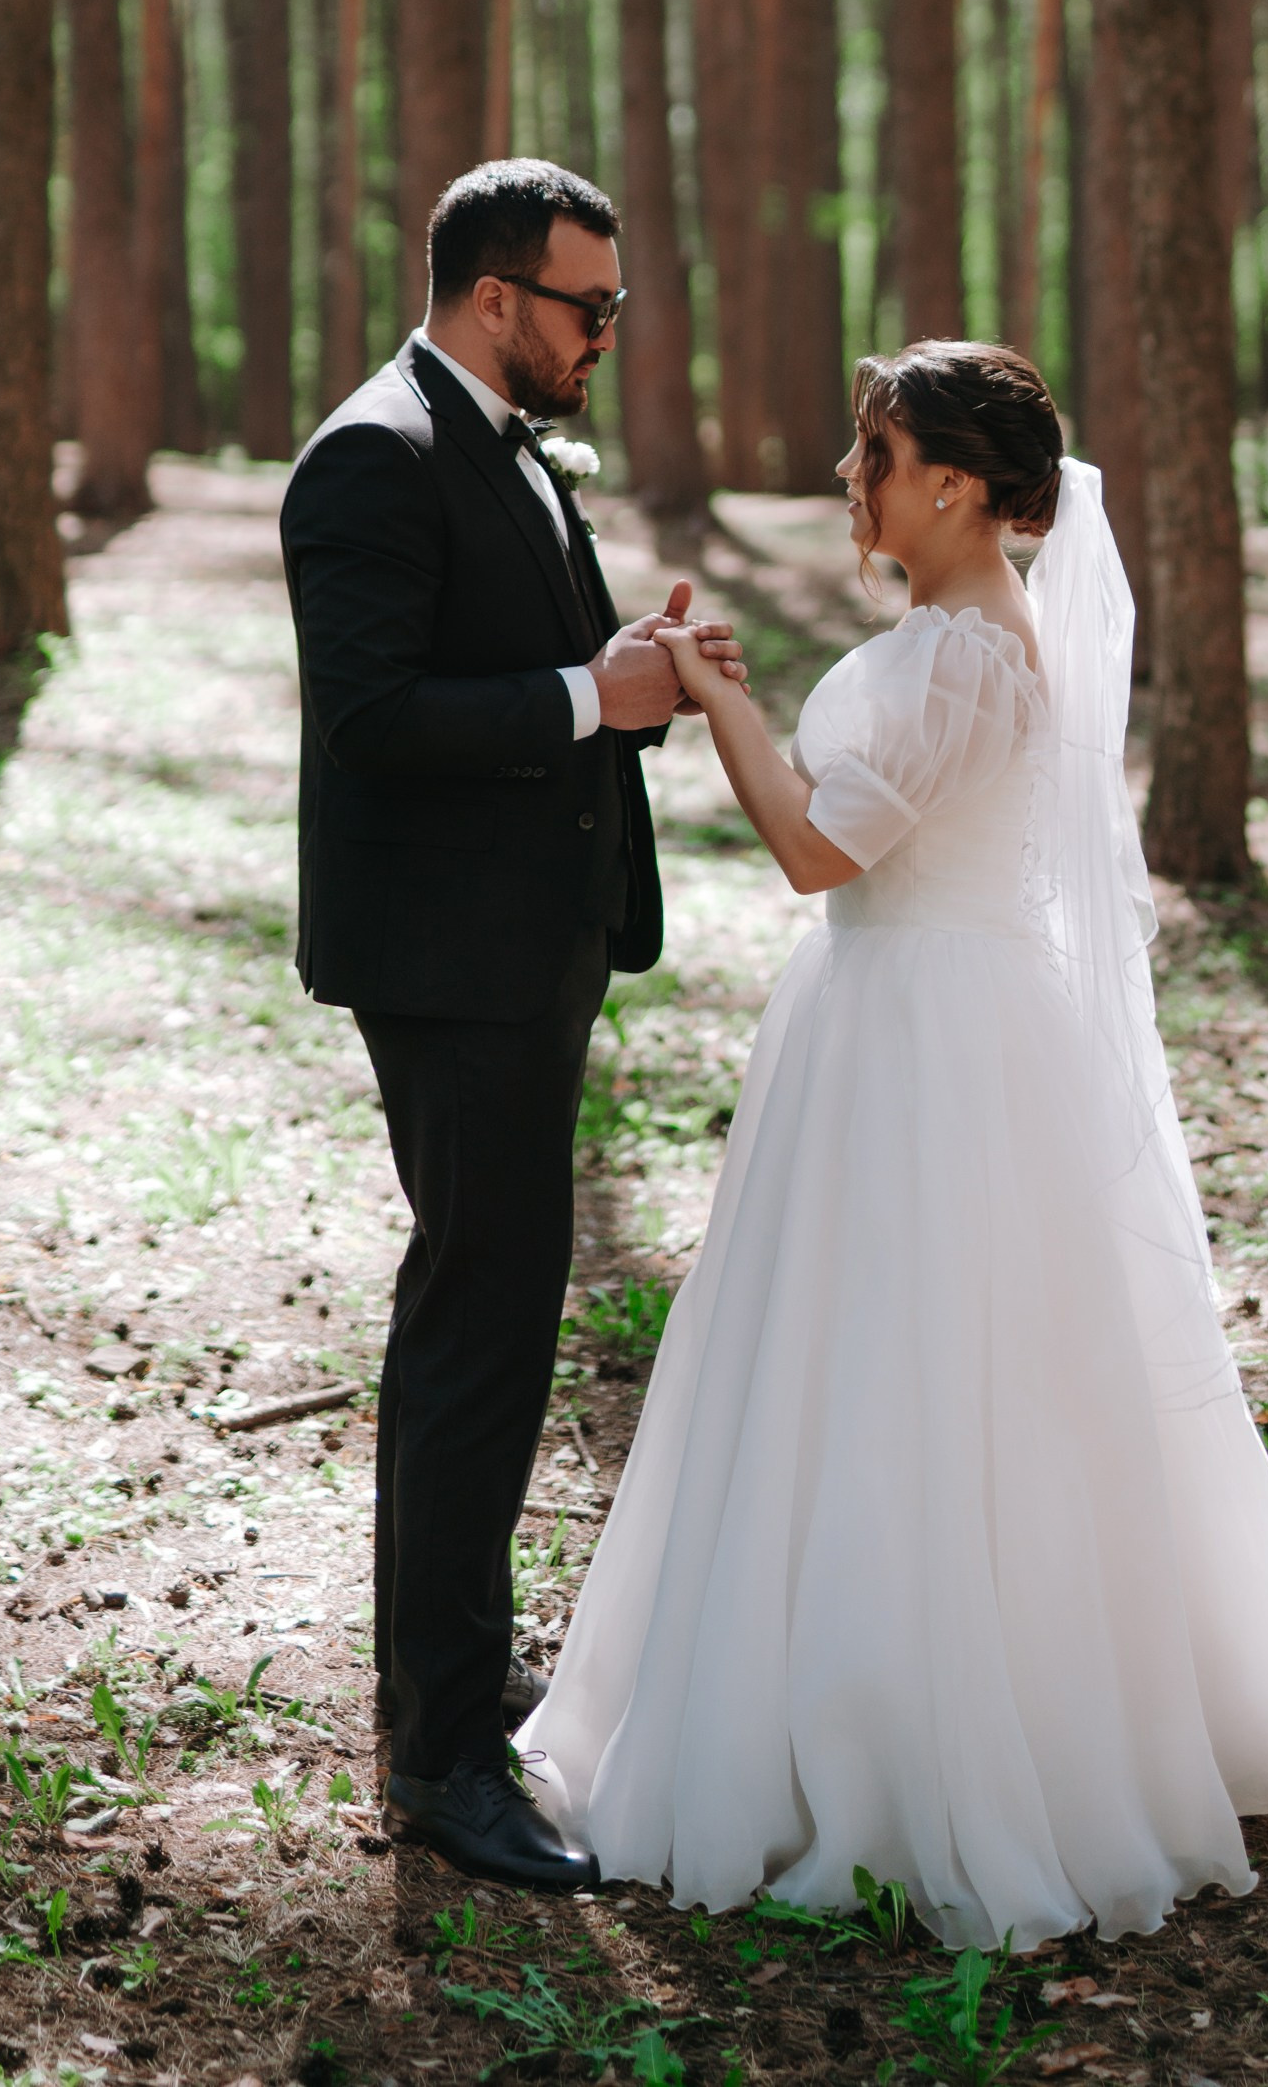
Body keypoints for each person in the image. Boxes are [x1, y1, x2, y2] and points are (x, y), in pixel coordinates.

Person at [522, 339, 1268, 1947]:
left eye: (872, 454)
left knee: (924, 1372)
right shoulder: (946, 634)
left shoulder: (964, 657)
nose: (849, 479)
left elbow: (814, 848)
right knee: (868, 1364)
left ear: (952, 483)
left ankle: (918, 1740)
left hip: (926, 1032)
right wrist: (734, 692)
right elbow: (851, 827)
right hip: (897, 1013)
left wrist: (715, 693)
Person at [279, 158, 746, 1897]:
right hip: (449, 963)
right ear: (496, 301)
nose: (608, 334)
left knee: (491, 1317)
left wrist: (618, 673)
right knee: (476, 1333)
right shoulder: (370, 457)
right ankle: (444, 1760)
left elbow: (516, 671)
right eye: (588, 307)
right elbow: (373, 716)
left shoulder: (499, 439)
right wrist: (582, 696)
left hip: (529, 944)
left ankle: (451, 1682)